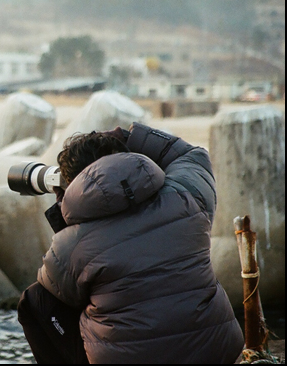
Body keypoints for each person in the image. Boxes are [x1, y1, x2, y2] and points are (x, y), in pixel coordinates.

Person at [17, 122, 244, 364]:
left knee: (37, 298)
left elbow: (62, 285)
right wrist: (129, 136)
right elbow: (190, 154)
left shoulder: (70, 245)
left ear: (73, 185)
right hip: (216, 352)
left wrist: (67, 209)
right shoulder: (186, 195)